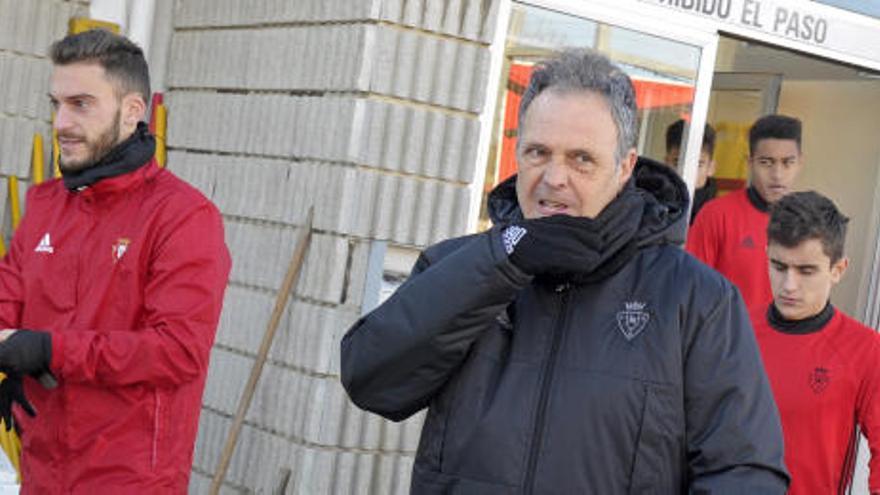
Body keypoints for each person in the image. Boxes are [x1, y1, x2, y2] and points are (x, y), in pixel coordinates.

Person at [340, 49, 788, 493]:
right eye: (538, 152)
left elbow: (745, 473)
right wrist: (503, 259)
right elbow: (372, 381)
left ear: (624, 168)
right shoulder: (459, 267)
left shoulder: (696, 300)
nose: (554, 177)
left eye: (581, 159)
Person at [0, 29, 231, 493]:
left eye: (81, 104)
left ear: (132, 111)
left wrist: (49, 350)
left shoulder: (183, 216)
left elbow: (178, 350)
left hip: (130, 478)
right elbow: (8, 298)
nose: (61, 122)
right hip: (43, 471)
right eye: (56, 103)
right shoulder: (47, 203)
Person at [755, 191, 880, 494]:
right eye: (779, 266)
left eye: (806, 271)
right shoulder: (732, 332)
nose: (789, 285)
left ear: (838, 270)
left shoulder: (865, 350)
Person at [687, 114, 804, 314]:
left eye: (787, 163)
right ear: (750, 163)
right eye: (766, 162)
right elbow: (689, 290)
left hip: (783, 342)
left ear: (800, 163)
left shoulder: (808, 224)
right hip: (724, 342)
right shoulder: (716, 215)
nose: (777, 174)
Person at [664, 119, 718, 223]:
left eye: (698, 164)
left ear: (711, 168)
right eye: (677, 162)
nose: (686, 172)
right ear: (666, 163)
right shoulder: (652, 205)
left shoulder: (718, 215)